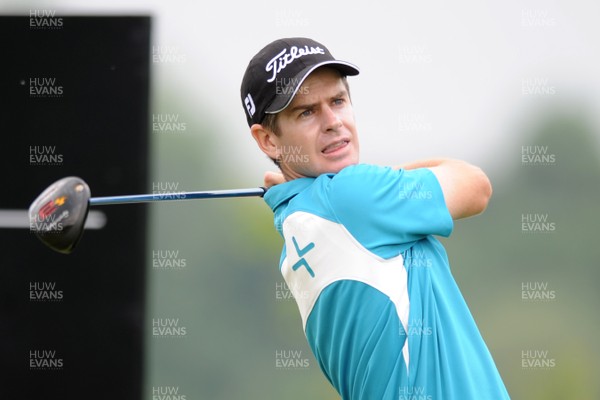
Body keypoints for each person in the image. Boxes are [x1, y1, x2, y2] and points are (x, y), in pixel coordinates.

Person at [241, 37, 510, 399]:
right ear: (269, 141)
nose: (333, 122)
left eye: (337, 101)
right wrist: (382, 180)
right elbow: (476, 186)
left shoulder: (294, 226)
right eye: (306, 112)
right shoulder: (352, 197)